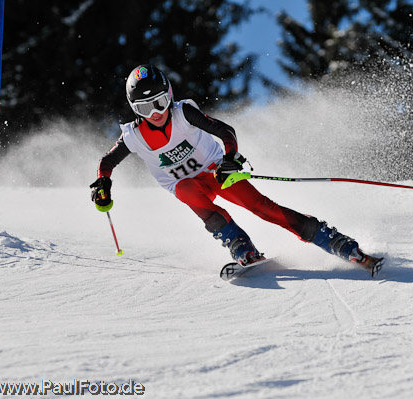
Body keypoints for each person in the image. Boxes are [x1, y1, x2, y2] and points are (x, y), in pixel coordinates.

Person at [90, 64, 383, 275]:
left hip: (217, 171)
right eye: (145, 108)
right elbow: (107, 163)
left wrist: (230, 159)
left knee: (261, 207)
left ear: (170, 96)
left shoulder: (182, 113)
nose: (156, 113)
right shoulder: (133, 136)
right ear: (134, 110)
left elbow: (225, 131)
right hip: (185, 185)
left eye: (161, 102)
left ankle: (330, 239)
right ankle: (238, 242)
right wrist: (102, 184)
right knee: (187, 190)